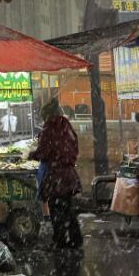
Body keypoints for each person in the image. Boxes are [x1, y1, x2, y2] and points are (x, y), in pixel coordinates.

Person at [30, 98, 83, 248]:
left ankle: (60, 241)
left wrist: (30, 154)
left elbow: (43, 152)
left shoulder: (49, 129)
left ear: (47, 116)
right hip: (68, 174)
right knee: (67, 208)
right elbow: (74, 147)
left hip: (55, 176)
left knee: (56, 209)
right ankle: (75, 240)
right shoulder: (66, 126)